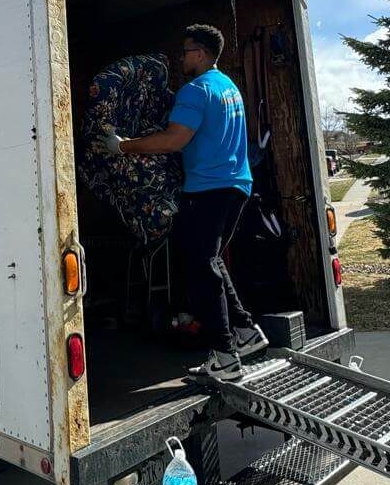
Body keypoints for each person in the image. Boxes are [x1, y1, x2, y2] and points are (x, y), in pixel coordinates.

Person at [103, 24, 267, 381]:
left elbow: (173, 140)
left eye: (186, 51)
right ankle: (246, 332)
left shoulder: (195, 91)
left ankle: (225, 355)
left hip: (208, 189)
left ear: (202, 53)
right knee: (212, 260)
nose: (182, 58)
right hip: (237, 185)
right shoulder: (229, 88)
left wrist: (124, 146)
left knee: (199, 267)